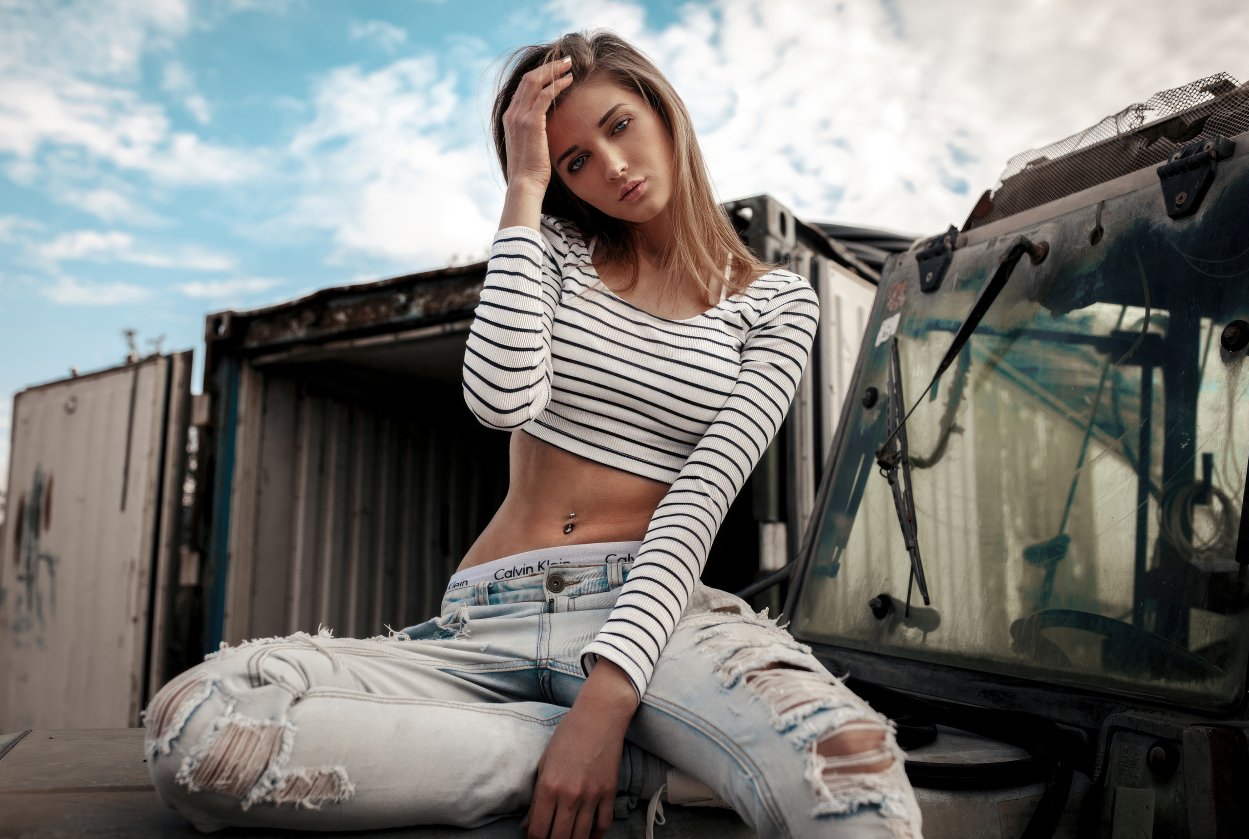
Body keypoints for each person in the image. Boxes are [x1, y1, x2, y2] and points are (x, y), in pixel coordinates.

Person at [143, 30, 923, 839]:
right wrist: (523, 185)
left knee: (851, 769)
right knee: (199, 728)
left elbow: (701, 496)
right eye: (575, 160)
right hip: (487, 621)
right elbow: (499, 400)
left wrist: (608, 697)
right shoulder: (551, 249)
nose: (609, 166)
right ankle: (607, 763)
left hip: (650, 616)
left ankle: (602, 739)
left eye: (617, 126)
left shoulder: (777, 304)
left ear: (662, 111)